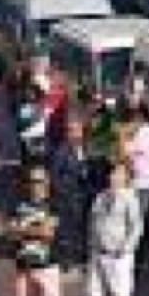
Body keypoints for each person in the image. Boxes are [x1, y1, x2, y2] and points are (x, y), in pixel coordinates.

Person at [12, 167, 67, 296]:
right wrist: (32, 229)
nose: (35, 185)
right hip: (24, 266)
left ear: (47, 182)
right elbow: (9, 230)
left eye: (40, 181)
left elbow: (48, 233)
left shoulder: (55, 204)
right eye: (32, 181)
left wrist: (22, 229)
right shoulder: (19, 204)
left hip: (48, 267)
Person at [80, 163, 142, 296]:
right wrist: (90, 245)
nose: (113, 177)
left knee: (119, 292)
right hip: (98, 252)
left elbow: (136, 227)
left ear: (126, 179)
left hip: (118, 255)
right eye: (113, 173)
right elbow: (92, 221)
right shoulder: (101, 196)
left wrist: (125, 248)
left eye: (118, 174)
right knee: (95, 289)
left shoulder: (130, 199)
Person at [121, 101, 149, 267]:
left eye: (133, 118)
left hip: (142, 184)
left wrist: (124, 134)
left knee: (137, 223)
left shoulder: (143, 134)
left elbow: (125, 152)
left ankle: (139, 259)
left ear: (139, 117)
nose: (131, 121)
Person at [49, 113, 93, 272]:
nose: (75, 134)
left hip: (84, 196)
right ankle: (65, 261)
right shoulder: (61, 151)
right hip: (67, 198)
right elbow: (54, 177)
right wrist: (64, 193)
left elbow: (90, 170)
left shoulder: (85, 148)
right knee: (66, 232)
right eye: (72, 131)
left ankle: (82, 259)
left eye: (77, 130)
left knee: (83, 229)